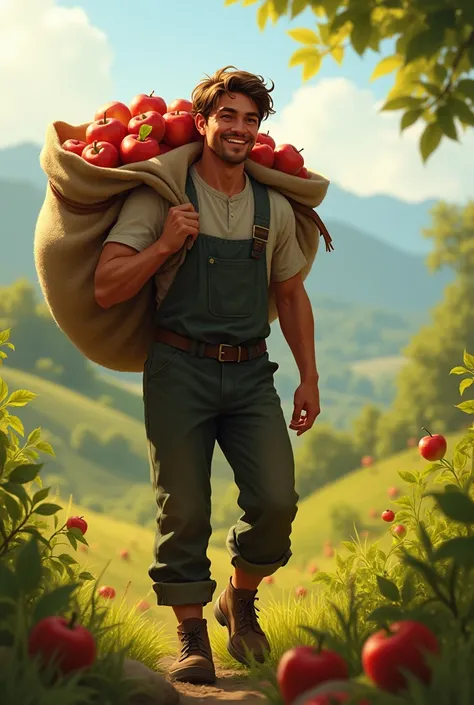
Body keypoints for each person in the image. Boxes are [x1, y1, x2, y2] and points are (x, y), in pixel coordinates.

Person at [93, 66, 321, 685]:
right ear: (202, 123)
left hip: (251, 375)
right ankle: (192, 636)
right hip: (177, 369)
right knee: (184, 510)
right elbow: (108, 286)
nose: (240, 129)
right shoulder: (159, 197)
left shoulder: (271, 206)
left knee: (276, 502)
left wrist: (309, 379)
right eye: (228, 117)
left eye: (251, 119)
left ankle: (238, 599)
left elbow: (293, 296)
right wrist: (164, 246)